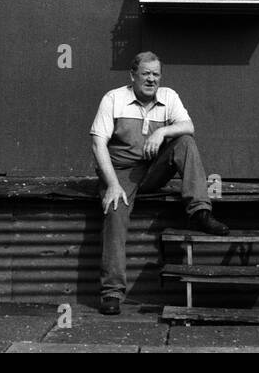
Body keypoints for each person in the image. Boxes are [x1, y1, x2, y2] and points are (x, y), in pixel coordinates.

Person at [91, 51, 228, 314]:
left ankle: (200, 211)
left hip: (152, 170)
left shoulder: (169, 96)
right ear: (133, 76)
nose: (151, 79)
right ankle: (112, 292)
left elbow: (189, 126)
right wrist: (111, 184)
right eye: (146, 74)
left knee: (185, 142)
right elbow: (98, 144)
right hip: (120, 172)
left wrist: (164, 130)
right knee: (115, 213)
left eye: (156, 74)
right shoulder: (114, 99)